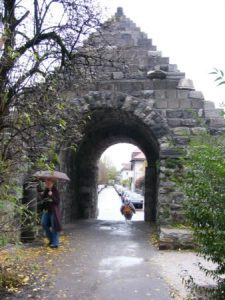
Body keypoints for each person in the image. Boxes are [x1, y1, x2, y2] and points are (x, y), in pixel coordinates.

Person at [41, 178, 62, 248]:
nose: (46, 182)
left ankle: (55, 243)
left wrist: (51, 195)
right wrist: (44, 193)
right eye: (46, 182)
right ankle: (51, 239)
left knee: (54, 226)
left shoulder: (55, 190)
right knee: (44, 223)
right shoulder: (46, 190)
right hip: (47, 211)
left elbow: (57, 202)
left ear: (51, 182)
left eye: (47, 181)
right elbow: (43, 199)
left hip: (54, 211)